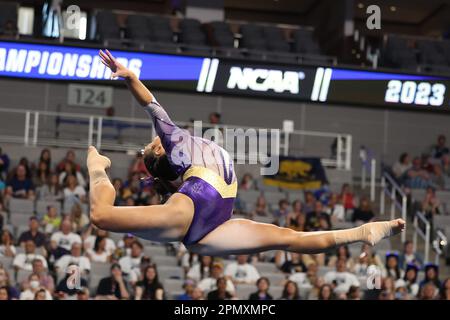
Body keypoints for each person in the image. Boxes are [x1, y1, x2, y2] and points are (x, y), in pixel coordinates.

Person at [87, 49, 405, 259]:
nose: (157, 137)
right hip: (199, 211)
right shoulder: (174, 141)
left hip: (209, 228)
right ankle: (97, 167)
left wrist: (131, 77)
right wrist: (132, 78)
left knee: (289, 238)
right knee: (101, 215)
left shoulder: (183, 148)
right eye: (154, 142)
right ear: (160, 149)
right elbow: (152, 106)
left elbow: (152, 106)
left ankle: (363, 231)